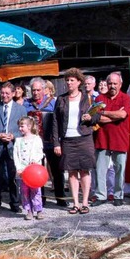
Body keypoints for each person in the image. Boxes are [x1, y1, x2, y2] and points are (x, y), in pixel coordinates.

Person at [52, 68, 98, 214]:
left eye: (72, 80)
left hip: (84, 137)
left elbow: (97, 117)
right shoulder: (61, 99)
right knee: (71, 172)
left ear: (79, 82)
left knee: (85, 170)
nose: (69, 82)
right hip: (67, 139)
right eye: (67, 80)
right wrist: (56, 143)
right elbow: (55, 122)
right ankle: (75, 203)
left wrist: (90, 118)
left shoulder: (87, 98)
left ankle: (85, 202)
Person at [23, 77, 67, 208]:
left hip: (51, 141)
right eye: (33, 90)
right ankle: (39, 197)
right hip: (34, 143)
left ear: (44, 90)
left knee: (57, 169)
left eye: (38, 90)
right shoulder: (26, 104)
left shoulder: (53, 103)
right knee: (37, 169)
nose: (35, 92)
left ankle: (60, 197)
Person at [0, 81, 27, 213]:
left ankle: (14, 203)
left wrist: (13, 136)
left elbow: (24, 128)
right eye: (2, 93)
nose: (4, 95)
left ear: (13, 94)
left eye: (7, 93)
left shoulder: (21, 109)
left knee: (13, 176)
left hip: (12, 147)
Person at [92, 71, 130, 206]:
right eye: (110, 83)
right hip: (102, 138)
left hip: (120, 138)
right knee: (100, 169)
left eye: (115, 83)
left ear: (120, 84)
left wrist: (105, 113)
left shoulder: (126, 98)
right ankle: (101, 195)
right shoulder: (99, 99)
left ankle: (118, 195)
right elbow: (96, 118)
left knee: (120, 168)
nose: (112, 86)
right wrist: (113, 115)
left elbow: (122, 114)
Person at [13, 116, 45, 220]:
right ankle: (29, 210)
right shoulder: (18, 141)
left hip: (34, 172)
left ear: (29, 126)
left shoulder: (37, 139)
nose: (20, 129)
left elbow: (40, 153)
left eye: (22, 126)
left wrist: (35, 160)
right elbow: (16, 155)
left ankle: (39, 209)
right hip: (23, 171)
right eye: (19, 126)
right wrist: (18, 167)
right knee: (24, 191)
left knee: (36, 191)